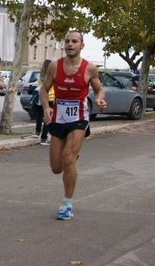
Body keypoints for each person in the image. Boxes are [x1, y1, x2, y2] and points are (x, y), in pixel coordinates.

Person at [40, 30, 107, 220]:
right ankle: (71, 157)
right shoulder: (55, 66)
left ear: (81, 46)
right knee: (56, 167)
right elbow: (44, 90)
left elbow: (99, 90)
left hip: (79, 118)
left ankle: (66, 204)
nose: (70, 44)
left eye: (74, 41)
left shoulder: (89, 68)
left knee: (68, 157)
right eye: (67, 41)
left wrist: (100, 100)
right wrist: (46, 107)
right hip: (58, 118)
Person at [32, 59, 54, 145]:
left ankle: (37, 132)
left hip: (41, 98)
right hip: (50, 98)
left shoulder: (40, 76)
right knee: (48, 118)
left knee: (40, 115)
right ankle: (44, 138)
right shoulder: (52, 77)